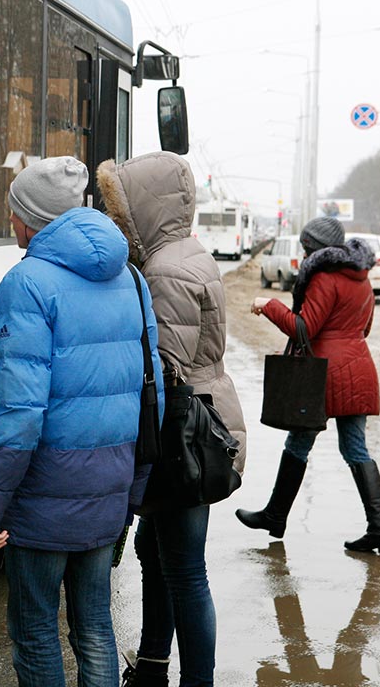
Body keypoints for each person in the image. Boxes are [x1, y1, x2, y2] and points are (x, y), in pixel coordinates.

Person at [0, 155, 163, 687]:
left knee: (34, 629)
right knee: (95, 625)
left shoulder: (26, 282)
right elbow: (154, 393)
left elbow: (20, 412)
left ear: (32, 219)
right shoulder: (130, 276)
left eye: (14, 213)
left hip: (43, 492)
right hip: (109, 483)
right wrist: (136, 481)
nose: (11, 223)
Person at [97, 151, 248, 687]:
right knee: (157, 554)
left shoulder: (167, 270)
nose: (118, 218)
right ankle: (156, 662)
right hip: (195, 422)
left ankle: (196, 679)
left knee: (184, 568)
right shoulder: (185, 254)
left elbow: (164, 366)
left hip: (186, 432)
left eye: (122, 206)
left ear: (145, 206)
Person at [237, 216, 380, 555]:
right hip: (358, 369)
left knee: (298, 442)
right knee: (355, 450)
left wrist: (269, 305)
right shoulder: (362, 279)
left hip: (324, 374)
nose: (305, 252)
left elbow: (304, 328)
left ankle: (275, 516)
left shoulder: (323, 277)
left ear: (319, 248)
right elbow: (363, 329)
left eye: (307, 246)